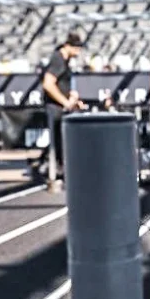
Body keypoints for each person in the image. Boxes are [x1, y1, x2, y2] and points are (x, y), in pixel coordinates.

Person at [38, 33, 86, 188]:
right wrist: (65, 102)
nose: (79, 51)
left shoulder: (65, 61)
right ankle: (51, 170)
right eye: (77, 47)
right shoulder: (58, 59)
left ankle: (54, 169)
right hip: (55, 108)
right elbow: (48, 83)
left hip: (61, 106)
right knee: (59, 142)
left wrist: (73, 99)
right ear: (67, 46)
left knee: (62, 141)